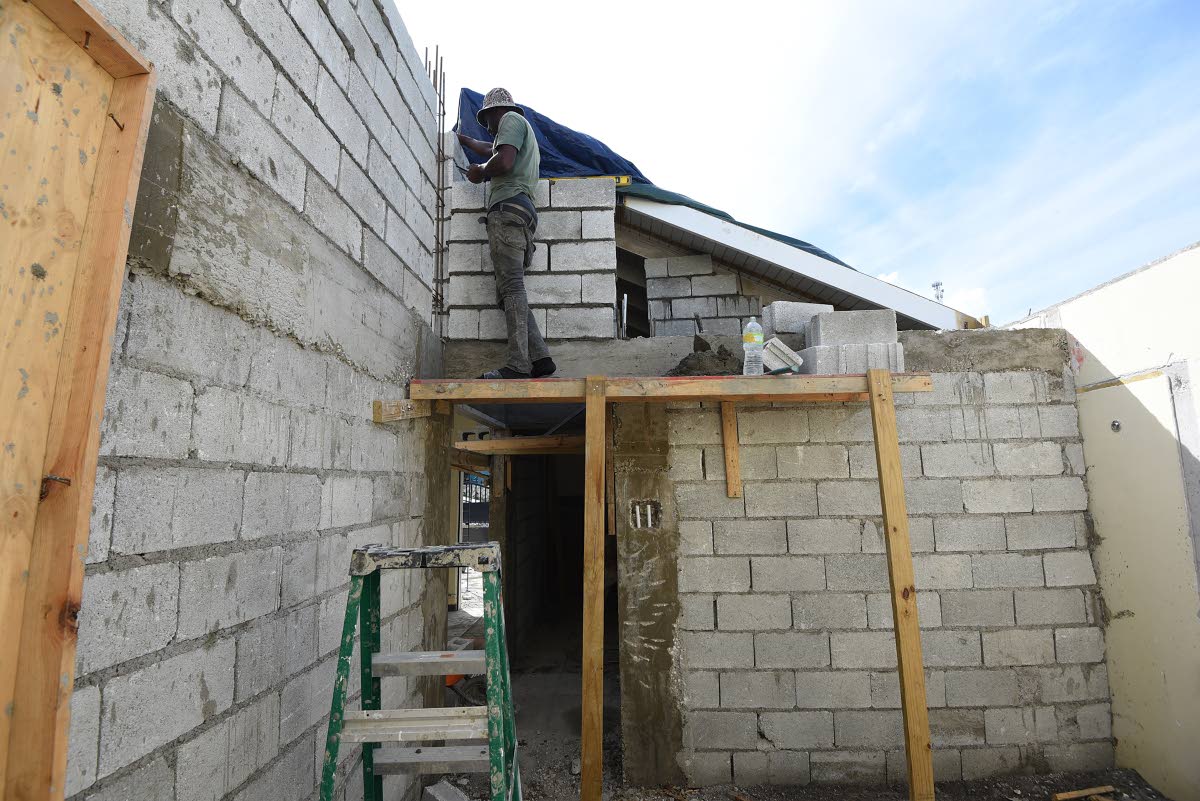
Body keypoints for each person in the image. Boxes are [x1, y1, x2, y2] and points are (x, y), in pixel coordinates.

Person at [456, 88, 556, 380]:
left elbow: (502, 161)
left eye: (487, 120)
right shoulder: (517, 133)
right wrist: (464, 142)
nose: (487, 127)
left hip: (507, 211)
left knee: (511, 289)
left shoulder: (511, 119)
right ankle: (540, 358)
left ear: (493, 112)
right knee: (507, 293)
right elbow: (492, 151)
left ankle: (518, 365)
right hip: (521, 213)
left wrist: (479, 173)